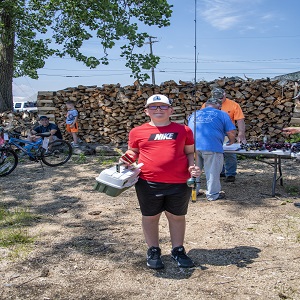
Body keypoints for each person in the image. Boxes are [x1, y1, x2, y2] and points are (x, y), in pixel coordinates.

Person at [120, 94, 200, 270]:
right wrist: (127, 158)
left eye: (163, 106)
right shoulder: (137, 131)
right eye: (154, 107)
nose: (158, 110)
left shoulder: (184, 130)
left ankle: (178, 250)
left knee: (177, 216)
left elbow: (189, 153)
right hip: (148, 181)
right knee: (150, 217)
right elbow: (133, 151)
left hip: (179, 182)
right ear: (146, 111)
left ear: (171, 110)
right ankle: (153, 250)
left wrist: (192, 168)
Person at [188, 98, 236, 200]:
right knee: (212, 171)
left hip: (193, 146)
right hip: (212, 146)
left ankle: (193, 192)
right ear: (219, 106)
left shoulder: (194, 114)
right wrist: (231, 141)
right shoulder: (222, 114)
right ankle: (212, 194)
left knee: (195, 171)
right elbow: (231, 131)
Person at [208, 87, 246, 182]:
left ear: (225, 95)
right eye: (215, 98)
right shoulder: (207, 104)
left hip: (228, 132)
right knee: (216, 153)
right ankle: (220, 172)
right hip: (214, 133)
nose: (218, 100)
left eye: (220, 98)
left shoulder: (233, 105)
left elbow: (240, 119)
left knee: (230, 154)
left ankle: (231, 174)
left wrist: (241, 134)